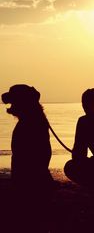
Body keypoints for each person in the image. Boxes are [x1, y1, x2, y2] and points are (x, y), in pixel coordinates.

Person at [1, 84, 53, 232]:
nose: (6, 98)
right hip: (37, 178)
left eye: (12, 96)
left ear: (23, 101)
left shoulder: (28, 124)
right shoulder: (36, 121)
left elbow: (20, 160)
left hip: (28, 180)